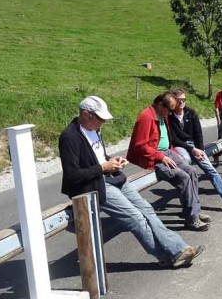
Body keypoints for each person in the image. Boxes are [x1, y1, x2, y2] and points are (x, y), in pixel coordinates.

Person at [59, 96, 204, 268]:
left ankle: (177, 250)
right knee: (135, 218)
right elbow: (72, 175)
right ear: (85, 114)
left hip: (113, 177)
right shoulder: (69, 137)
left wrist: (112, 160)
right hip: (95, 185)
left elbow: (97, 157)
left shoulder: (94, 129)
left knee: (147, 210)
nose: (102, 122)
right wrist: (103, 167)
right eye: (100, 118)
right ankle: (170, 254)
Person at [127, 91, 209, 231]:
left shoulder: (162, 114)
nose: (171, 113)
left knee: (192, 171)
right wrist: (161, 157)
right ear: (160, 104)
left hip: (167, 152)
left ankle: (194, 210)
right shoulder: (146, 117)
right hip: (153, 157)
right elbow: (140, 146)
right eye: (170, 110)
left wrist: (175, 153)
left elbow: (165, 138)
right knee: (183, 177)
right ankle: (191, 219)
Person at [168, 88, 222, 212]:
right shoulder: (169, 117)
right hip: (180, 146)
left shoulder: (191, 113)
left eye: (184, 99)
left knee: (211, 170)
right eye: (179, 100)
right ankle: (190, 206)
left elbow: (198, 134)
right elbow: (173, 139)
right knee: (187, 165)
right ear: (173, 101)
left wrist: (200, 150)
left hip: (194, 146)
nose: (182, 102)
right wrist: (192, 149)